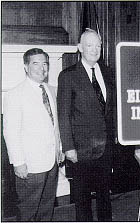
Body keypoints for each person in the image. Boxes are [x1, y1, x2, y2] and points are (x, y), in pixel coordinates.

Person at [57, 28, 115, 221]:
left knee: (105, 196)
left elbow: (110, 110)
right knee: (82, 200)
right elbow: (63, 114)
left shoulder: (108, 72)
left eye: (98, 45)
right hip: (80, 150)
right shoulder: (68, 75)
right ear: (80, 48)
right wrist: (68, 148)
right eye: (90, 45)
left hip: (105, 148)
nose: (95, 49)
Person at [3, 48, 63, 221]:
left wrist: (59, 148)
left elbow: (55, 125)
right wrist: (18, 163)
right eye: (35, 63)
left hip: (51, 162)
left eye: (45, 63)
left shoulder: (51, 91)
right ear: (26, 67)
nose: (42, 68)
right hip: (30, 165)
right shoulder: (15, 95)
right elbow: (10, 131)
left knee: (46, 209)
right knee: (28, 211)